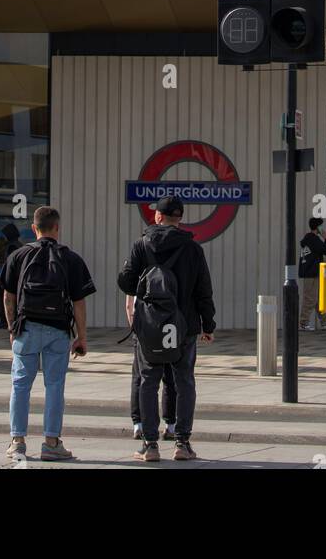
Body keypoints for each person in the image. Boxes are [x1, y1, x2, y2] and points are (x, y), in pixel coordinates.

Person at [118, 195, 216, 463]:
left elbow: (125, 283)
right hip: (184, 326)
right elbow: (203, 291)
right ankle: (182, 443)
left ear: (157, 217)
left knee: (149, 381)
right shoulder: (194, 249)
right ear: (180, 219)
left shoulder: (142, 245)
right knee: (184, 381)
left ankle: (150, 445)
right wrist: (208, 325)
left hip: (150, 327)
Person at [0, 206, 96, 462]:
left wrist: (12, 328)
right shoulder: (71, 258)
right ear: (57, 228)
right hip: (58, 330)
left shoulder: (19, 256)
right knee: (54, 386)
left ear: (34, 228)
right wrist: (82, 337)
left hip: (27, 328)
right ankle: (52, 443)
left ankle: (17, 442)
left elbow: (8, 296)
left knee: (20, 385)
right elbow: (79, 302)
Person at [126, 292, 177, 441]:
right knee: (169, 376)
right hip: (168, 326)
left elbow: (129, 304)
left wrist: (134, 327)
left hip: (144, 325)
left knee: (140, 377)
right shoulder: (171, 267)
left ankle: (139, 424)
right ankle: (170, 425)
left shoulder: (137, 268)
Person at [299, 217, 326, 331]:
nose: (322, 228)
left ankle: (325, 321)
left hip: (312, 271)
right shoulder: (313, 239)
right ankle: (303, 322)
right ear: (317, 227)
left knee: (319, 297)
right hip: (311, 272)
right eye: (321, 226)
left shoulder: (309, 239)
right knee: (310, 298)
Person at [0, 222, 23, 327]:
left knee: (5, 299)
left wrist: (2, 277)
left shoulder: (12, 246)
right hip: (14, 278)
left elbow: (8, 263)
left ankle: (5, 321)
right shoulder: (17, 244)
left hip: (9, 277)